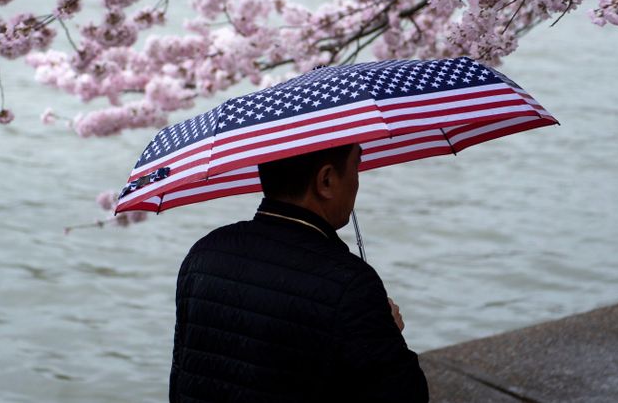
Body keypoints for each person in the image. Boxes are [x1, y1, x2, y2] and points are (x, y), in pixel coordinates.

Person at [169, 143, 428, 402]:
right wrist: (386, 333)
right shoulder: (350, 283)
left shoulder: (203, 254)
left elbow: (181, 381)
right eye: (356, 166)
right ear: (326, 180)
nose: (357, 181)